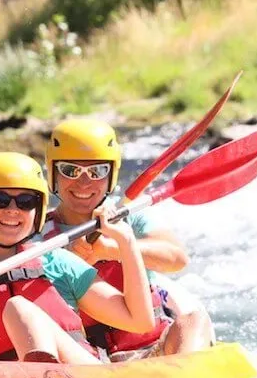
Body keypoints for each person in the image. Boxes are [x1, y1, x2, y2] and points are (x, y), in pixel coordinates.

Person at [0, 152, 156, 365]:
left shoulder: (58, 263)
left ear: (38, 210)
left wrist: (126, 243)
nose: (12, 210)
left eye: (25, 201)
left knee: (19, 308)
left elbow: (140, 322)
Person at [43, 118, 215, 362]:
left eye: (97, 171)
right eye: (70, 170)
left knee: (194, 320)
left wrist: (111, 249)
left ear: (111, 174)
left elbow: (177, 259)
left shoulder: (130, 217)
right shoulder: (39, 235)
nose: (84, 182)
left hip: (153, 349)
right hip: (86, 362)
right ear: (53, 173)